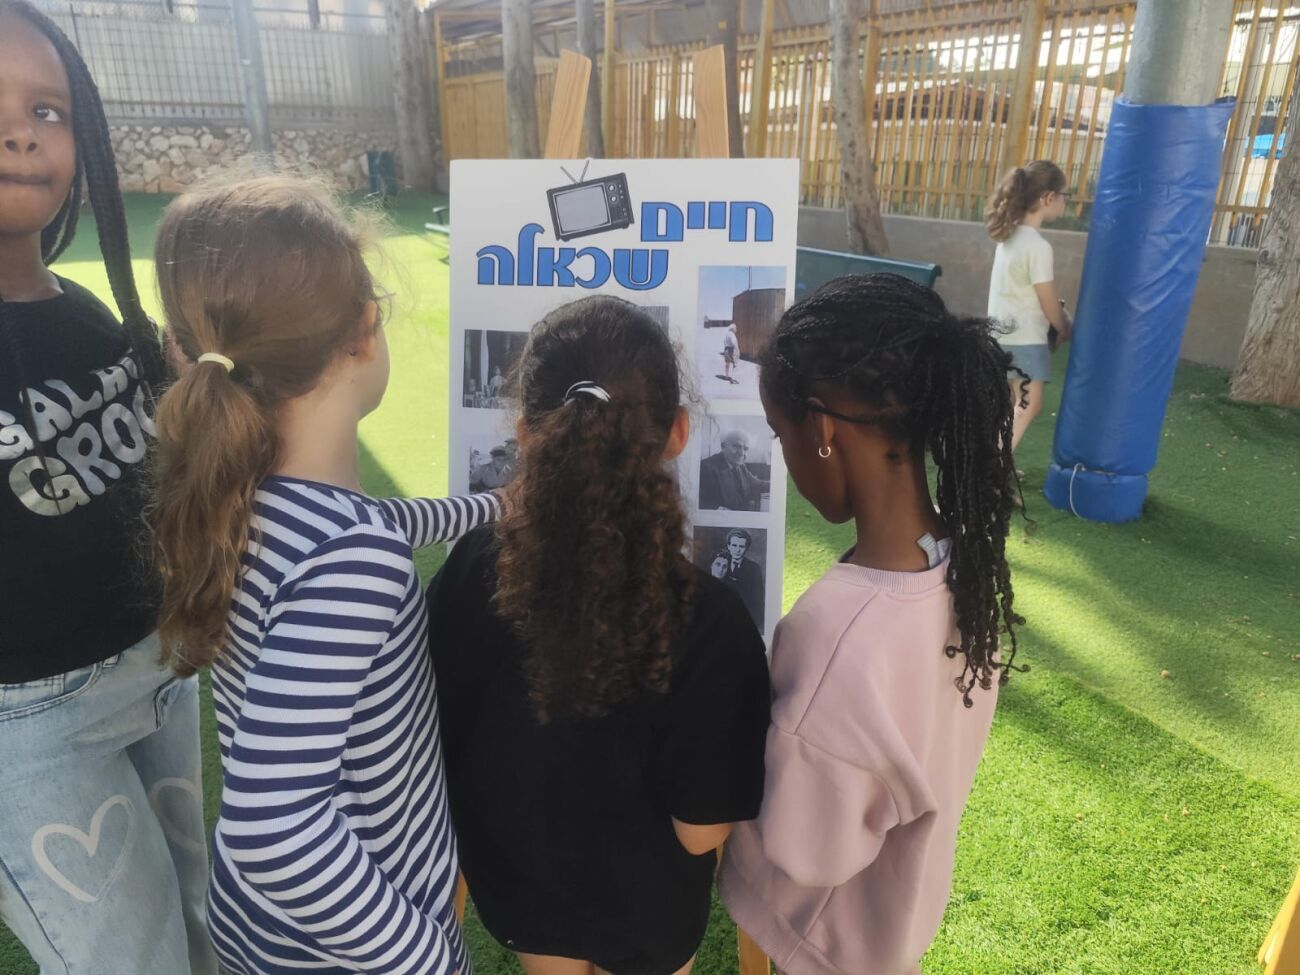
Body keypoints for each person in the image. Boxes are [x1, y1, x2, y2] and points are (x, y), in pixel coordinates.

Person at [149, 176, 499, 975]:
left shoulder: (250, 497)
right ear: (365, 329)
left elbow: (379, 524)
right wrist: (422, 956)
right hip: (348, 949)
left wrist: (496, 506)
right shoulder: (349, 555)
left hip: (263, 930)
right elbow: (273, 826)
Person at [427, 296, 771, 975]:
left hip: (519, 897)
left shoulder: (469, 569)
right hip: (650, 918)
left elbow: (442, 737)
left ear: (527, 435)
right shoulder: (711, 620)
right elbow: (701, 831)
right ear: (677, 432)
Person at [719, 273, 1025, 975]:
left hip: (827, 945)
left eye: (780, 434)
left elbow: (808, 847)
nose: (786, 456)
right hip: (900, 921)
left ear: (822, 430)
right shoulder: (959, 567)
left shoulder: (834, 632)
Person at [0, 4, 216, 972]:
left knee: (200, 914)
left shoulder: (89, 310)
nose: (21, 133)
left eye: (46, 110)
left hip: (156, 668)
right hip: (31, 725)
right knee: (133, 957)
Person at [985, 159, 1074, 452]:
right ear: (1048, 197)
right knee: (1028, 404)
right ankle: (993, 468)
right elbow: (1047, 300)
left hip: (999, 335)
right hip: (1024, 339)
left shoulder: (1008, 238)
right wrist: (1064, 327)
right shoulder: (1037, 246)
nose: (1064, 202)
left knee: (1012, 404)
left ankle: (992, 461)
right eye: (1064, 195)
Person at [699, 429, 769, 511]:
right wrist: (720, 510)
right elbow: (699, 502)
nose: (741, 453)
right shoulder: (706, 468)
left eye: (745, 449)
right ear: (723, 446)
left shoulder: (741, 466)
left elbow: (758, 485)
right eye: (737, 446)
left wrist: (777, 484)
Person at [717, 528, 764, 626]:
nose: (737, 550)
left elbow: (758, 599)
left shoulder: (754, 568)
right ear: (728, 546)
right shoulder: (720, 562)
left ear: (746, 548)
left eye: (741, 546)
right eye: (734, 545)